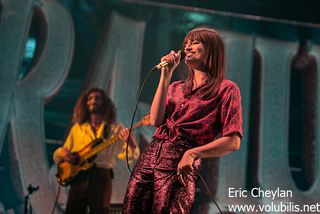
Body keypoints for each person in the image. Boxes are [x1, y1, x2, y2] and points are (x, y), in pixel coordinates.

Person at [123, 27, 242, 213]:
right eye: (186, 43)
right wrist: (166, 74)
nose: (188, 47)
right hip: (149, 157)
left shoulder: (226, 89)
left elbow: (233, 142)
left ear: (212, 49)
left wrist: (192, 154)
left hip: (180, 163)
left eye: (195, 42)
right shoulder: (176, 87)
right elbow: (155, 119)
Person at [53, 88, 139, 214]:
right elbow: (61, 152)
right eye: (90, 98)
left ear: (104, 102)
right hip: (79, 177)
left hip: (101, 176)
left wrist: (131, 143)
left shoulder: (115, 128)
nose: (93, 101)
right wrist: (65, 154)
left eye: (97, 98)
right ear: (85, 103)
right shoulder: (78, 128)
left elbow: (129, 156)